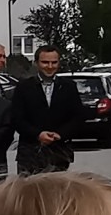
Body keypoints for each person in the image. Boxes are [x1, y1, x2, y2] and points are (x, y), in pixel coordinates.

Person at [11, 44, 83, 174]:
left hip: (59, 153)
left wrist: (60, 134)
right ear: (36, 63)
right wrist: (38, 134)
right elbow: (17, 119)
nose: (50, 66)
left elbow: (77, 117)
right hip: (30, 154)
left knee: (57, 187)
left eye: (54, 62)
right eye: (45, 62)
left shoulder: (68, 87)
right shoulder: (23, 87)